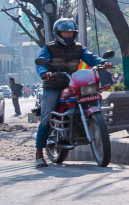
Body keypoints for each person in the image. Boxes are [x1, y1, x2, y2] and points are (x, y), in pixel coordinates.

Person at [34, 18, 110, 168]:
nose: (68, 35)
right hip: (54, 85)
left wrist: (102, 63)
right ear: (58, 33)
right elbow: (41, 63)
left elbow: (90, 57)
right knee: (45, 118)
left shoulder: (79, 48)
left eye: (71, 32)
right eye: (65, 32)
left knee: (93, 97)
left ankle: (95, 126)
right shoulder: (49, 48)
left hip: (73, 83)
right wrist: (45, 73)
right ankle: (38, 155)